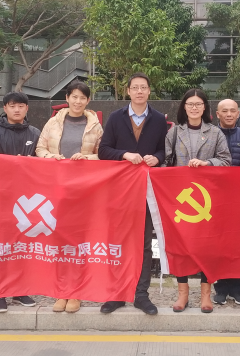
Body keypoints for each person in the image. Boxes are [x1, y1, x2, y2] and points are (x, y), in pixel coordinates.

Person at [98, 72, 168, 316]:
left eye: (143, 87)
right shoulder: (116, 118)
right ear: (128, 91)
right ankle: (116, 294)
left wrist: (157, 157)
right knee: (117, 242)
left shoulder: (158, 119)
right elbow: (103, 150)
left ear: (149, 91)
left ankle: (141, 294)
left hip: (147, 190)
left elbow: (164, 150)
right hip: (119, 191)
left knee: (144, 244)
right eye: (135, 87)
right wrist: (124, 155)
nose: (139, 91)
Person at [36, 80, 103, 313]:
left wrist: (86, 158)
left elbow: (103, 154)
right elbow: (40, 148)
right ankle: (61, 291)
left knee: (78, 241)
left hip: (83, 191)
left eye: (82, 97)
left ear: (88, 101)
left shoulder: (95, 126)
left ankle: (76, 292)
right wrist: (51, 158)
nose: (77, 101)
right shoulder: (53, 122)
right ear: (67, 98)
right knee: (59, 239)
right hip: (56, 188)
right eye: (74, 96)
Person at [166, 89, 231, 314]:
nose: (194, 108)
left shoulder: (215, 132)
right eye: (190, 104)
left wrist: (207, 164)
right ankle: (182, 293)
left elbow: (226, 160)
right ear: (184, 107)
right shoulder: (175, 132)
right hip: (180, 197)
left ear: (205, 107)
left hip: (207, 197)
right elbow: (165, 162)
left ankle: (205, 294)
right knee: (180, 245)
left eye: (198, 104)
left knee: (208, 246)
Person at [0, 91, 41, 312]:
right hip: (1, 198)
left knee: (21, 247)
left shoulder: (35, 133)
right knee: (1, 247)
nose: (17, 110)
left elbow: (43, 163)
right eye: (12, 106)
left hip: (26, 201)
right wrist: (13, 165)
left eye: (21, 106)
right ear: (5, 108)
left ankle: (19, 290)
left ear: (27, 109)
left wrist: (29, 164)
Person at [212, 99, 240, 306]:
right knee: (218, 243)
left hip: (239, 198)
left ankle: (236, 286)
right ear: (217, 114)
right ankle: (220, 286)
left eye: (232, 111)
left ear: (238, 114)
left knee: (237, 243)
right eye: (224, 111)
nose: (229, 114)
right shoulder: (210, 135)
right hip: (214, 197)